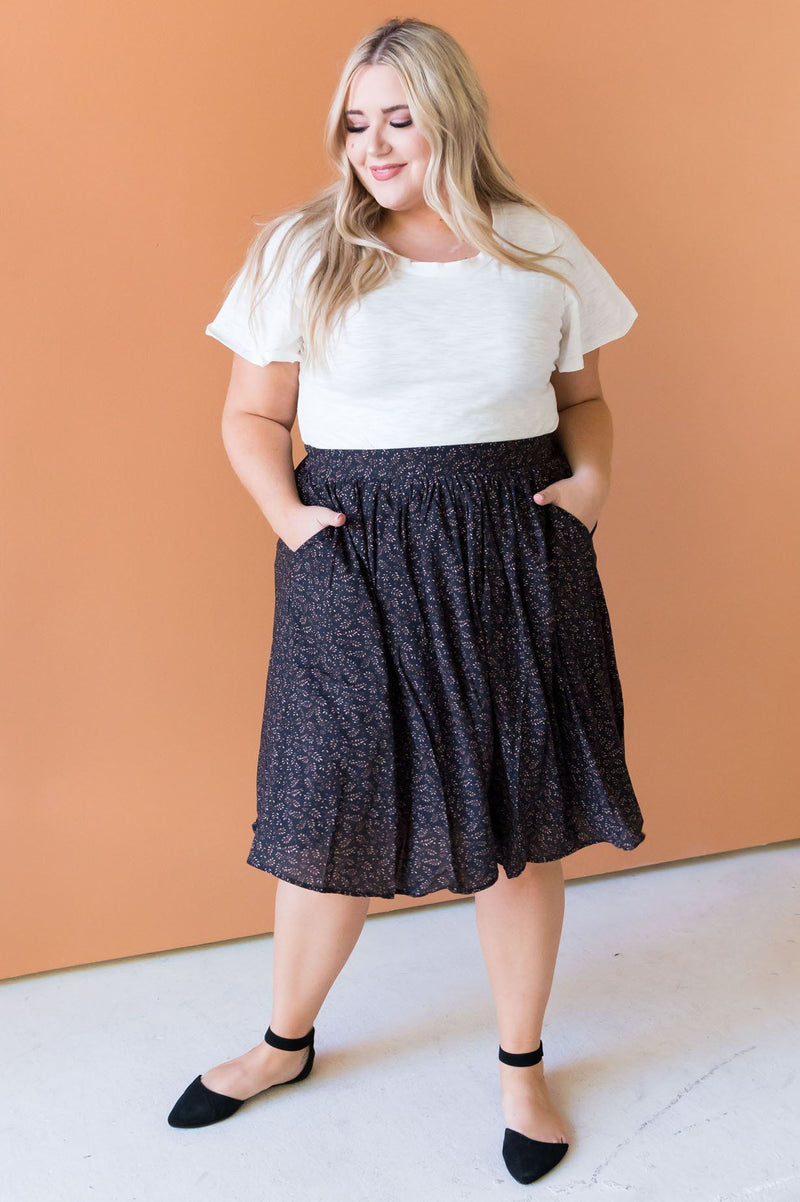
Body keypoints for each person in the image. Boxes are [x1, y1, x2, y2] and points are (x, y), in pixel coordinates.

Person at [168, 16, 646, 1186]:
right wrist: (293, 525)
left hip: (514, 555)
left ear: (452, 120)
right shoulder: (303, 250)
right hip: (354, 555)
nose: (374, 145)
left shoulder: (537, 246)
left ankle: (520, 1068)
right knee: (327, 813)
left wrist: (586, 492)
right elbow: (250, 416)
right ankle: (283, 1042)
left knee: (518, 826)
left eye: (399, 119)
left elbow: (582, 400)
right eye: (355, 122)